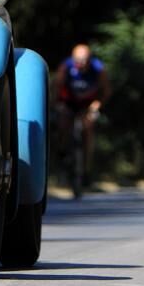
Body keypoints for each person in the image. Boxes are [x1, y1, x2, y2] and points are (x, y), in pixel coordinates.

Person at [55, 43, 110, 188]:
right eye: (77, 60)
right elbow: (57, 87)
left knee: (88, 128)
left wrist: (96, 105)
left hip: (88, 104)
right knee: (63, 125)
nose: (80, 63)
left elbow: (105, 91)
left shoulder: (98, 69)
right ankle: (62, 156)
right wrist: (58, 104)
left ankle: (86, 169)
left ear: (89, 59)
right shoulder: (66, 67)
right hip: (68, 102)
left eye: (84, 60)